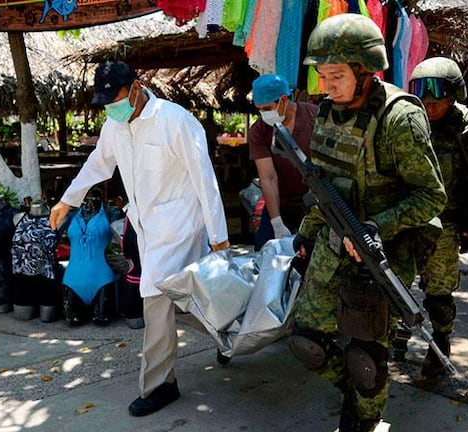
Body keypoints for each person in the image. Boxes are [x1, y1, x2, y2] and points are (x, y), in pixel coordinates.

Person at [288, 14, 446, 431]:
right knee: (306, 341)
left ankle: (362, 417)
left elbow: (432, 196)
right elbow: (324, 186)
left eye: (336, 75)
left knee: (365, 355)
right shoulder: (328, 112)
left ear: (366, 70)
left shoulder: (399, 119)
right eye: (322, 75)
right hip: (332, 240)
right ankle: (359, 394)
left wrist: (378, 225)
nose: (326, 86)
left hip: (383, 250)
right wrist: (305, 234)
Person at [49, 60, 230, 417]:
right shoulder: (115, 127)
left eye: (114, 98)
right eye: (105, 102)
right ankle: (228, 334)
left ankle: (160, 384)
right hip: (146, 227)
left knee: (155, 298)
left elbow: (204, 179)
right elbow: (98, 164)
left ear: (135, 87)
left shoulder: (176, 121)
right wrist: (68, 199)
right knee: (185, 299)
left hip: (180, 225)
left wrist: (219, 237)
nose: (111, 108)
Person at [408, 57, 468, 377]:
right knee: (391, 285)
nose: (429, 106)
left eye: (437, 100)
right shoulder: (409, 121)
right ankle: (390, 341)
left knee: (438, 292)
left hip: (446, 222)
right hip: (407, 218)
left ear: (454, 96)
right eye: (424, 99)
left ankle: (440, 342)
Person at [247, 74, 317, 251]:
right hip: (281, 204)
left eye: (267, 108)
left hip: (317, 203)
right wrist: (276, 222)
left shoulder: (314, 117)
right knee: (264, 251)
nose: (264, 114)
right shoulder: (259, 131)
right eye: (259, 110)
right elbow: (268, 177)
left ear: (284, 99)